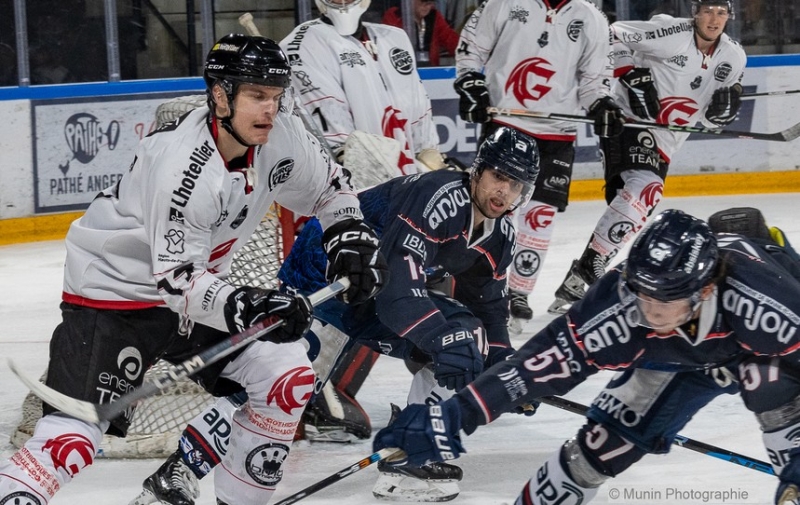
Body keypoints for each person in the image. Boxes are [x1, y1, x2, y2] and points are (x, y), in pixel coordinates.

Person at [0, 33, 388, 505]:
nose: (270, 109)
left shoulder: (282, 136)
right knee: (73, 441)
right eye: (256, 96)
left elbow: (331, 187)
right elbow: (178, 281)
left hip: (197, 293)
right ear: (220, 96)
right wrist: (250, 304)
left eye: (276, 96)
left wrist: (348, 232)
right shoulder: (182, 166)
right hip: (114, 296)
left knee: (287, 375)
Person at [131, 125, 541, 503]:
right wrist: (439, 339)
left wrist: (504, 366)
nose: (503, 192)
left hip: (380, 294)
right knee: (283, 381)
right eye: (498, 177)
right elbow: (399, 291)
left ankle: (413, 454)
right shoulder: (438, 198)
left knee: (468, 338)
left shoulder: (500, 233)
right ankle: (179, 470)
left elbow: (488, 304)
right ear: (478, 171)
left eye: (515, 184)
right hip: (326, 276)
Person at [374, 208, 800, 505]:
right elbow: (532, 368)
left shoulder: (769, 305)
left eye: (663, 301)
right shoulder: (620, 306)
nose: (647, 313)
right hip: (678, 356)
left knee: (770, 385)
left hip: (758, 351)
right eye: (641, 293)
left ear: (704, 290)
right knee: (598, 447)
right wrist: (452, 416)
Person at [280, 0, 455, 443]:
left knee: (399, 287)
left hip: (401, 193)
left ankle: (335, 388)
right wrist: (415, 178)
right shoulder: (301, 43)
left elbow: (421, 126)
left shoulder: (394, 40)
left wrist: (428, 172)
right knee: (338, 287)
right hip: (340, 196)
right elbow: (343, 146)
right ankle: (301, 390)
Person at [548, 0, 747, 314]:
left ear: (729, 17)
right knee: (646, 188)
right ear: (696, 12)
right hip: (628, 117)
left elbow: (709, 116)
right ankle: (591, 267)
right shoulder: (670, 31)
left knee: (644, 200)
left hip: (668, 139)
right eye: (707, 10)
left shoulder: (734, 57)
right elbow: (610, 34)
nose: (713, 19)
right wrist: (631, 74)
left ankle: (581, 276)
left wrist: (724, 112)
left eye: (721, 13)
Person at [452, 0, 625, 326]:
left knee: (541, 215)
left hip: (556, 134)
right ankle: (484, 286)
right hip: (506, 123)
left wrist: (601, 103)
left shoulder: (590, 17)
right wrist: (471, 83)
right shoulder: (503, 3)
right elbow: (471, 47)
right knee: (494, 208)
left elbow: (595, 77)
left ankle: (519, 291)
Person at [280, 0, 444, 178]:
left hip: (405, 182)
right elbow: (335, 136)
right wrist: (347, 158)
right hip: (355, 187)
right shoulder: (302, 45)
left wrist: (428, 151)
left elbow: (417, 105)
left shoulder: (395, 38)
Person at [382, 0, 460, 67]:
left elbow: (451, 40)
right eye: (423, 1)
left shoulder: (434, 16)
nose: (427, 5)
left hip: (431, 72)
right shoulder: (394, 15)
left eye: (430, 2)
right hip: (404, 71)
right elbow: (390, 47)